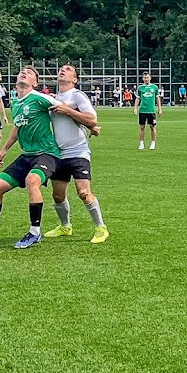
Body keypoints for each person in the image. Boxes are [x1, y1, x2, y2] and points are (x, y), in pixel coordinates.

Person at [0, 66, 76, 249]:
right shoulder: (16, 102)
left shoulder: (39, 97)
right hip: (26, 155)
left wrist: (90, 124)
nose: (23, 73)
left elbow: (65, 108)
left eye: (29, 73)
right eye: (21, 72)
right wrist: (4, 149)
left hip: (47, 153)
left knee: (32, 180)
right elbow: (18, 128)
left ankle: (35, 233)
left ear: (35, 83)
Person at [43, 65, 109, 244]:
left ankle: (101, 228)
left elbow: (92, 118)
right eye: (61, 69)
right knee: (57, 195)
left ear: (74, 79)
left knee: (83, 192)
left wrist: (69, 111)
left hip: (78, 151)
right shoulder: (52, 99)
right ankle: (65, 226)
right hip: (59, 153)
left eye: (68, 69)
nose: (62, 70)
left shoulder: (77, 95)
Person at [135, 72, 162, 150]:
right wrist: (135, 108)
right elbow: (138, 98)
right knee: (142, 127)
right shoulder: (140, 88)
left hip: (151, 110)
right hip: (142, 110)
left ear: (150, 78)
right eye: (145, 78)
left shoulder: (154, 87)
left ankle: (153, 143)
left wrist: (160, 108)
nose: (146, 79)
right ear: (143, 79)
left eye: (147, 77)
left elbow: (157, 98)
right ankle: (141, 143)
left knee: (152, 127)